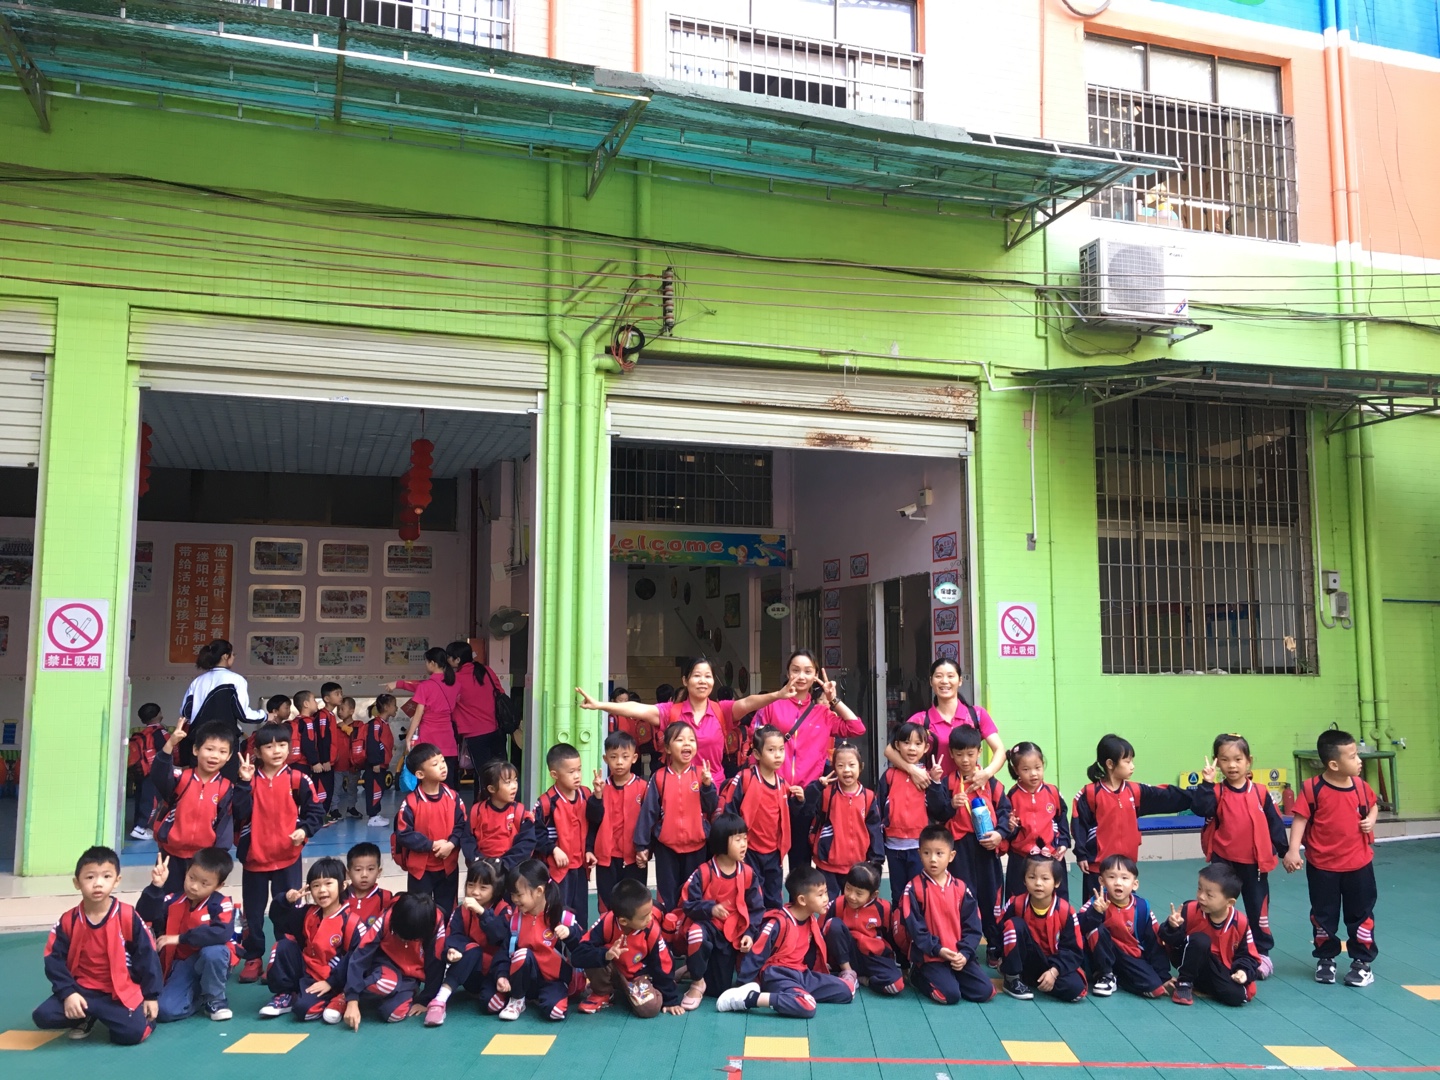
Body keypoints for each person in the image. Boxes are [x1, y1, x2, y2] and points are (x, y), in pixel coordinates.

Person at [575, 657, 789, 792]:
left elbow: (749, 702)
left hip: (714, 789)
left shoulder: (721, 710)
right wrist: (600, 705)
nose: (703, 681)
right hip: (678, 789)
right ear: (685, 681)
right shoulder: (671, 712)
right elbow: (637, 709)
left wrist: (778, 695)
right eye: (697, 676)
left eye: (708, 676)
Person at [746, 651, 866, 870]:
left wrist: (833, 699)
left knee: (800, 863)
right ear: (787, 673)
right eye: (796, 670)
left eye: (808, 671)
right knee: (765, 860)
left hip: (807, 795)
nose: (801, 676)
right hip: (772, 792)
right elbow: (753, 742)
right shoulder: (772, 707)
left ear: (815, 676)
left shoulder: (823, 713)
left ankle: (798, 893)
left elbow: (856, 728)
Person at [33, 846, 162, 1045]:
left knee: (131, 1035)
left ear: (117, 880)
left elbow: (147, 956)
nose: (98, 883)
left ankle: (131, 1018)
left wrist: (151, 996)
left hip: (118, 993)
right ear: (77, 883)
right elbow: (53, 960)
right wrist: (68, 993)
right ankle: (86, 1016)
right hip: (82, 991)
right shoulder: (69, 920)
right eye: (90, 877)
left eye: (106, 876)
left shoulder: (127, 916)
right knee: (43, 1016)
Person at [1283, 728, 1379, 988]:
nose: (1359, 760)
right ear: (1334, 764)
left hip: (1359, 865)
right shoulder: (1312, 788)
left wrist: (1371, 819)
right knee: (1323, 915)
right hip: (1322, 867)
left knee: (1361, 915)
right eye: (1353, 756)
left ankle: (1362, 963)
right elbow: (1300, 819)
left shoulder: (1361, 787)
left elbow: (1372, 805)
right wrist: (1293, 850)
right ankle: (1326, 959)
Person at [233, 722, 326, 984]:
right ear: (257, 752)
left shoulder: (298, 779)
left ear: (290, 747)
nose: (276, 751)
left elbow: (316, 812)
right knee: (253, 913)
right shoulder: (249, 780)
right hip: (255, 859)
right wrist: (243, 783)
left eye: (282, 745)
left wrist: (304, 830)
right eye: (269, 746)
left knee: (288, 909)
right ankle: (253, 957)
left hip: (288, 858)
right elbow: (238, 812)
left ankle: (283, 956)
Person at [1189, 733, 1286, 977]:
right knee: (1215, 906)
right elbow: (1200, 808)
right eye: (1224, 760)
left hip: (1254, 865)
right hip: (1223, 863)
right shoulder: (1216, 792)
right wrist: (1207, 783)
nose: (1232, 765)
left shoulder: (1261, 792)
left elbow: (1275, 824)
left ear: (1248, 760)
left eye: (1238, 759)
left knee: (1258, 910)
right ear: (1217, 762)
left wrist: (1287, 852)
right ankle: (1214, 950)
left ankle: (1261, 954)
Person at [716, 865, 855, 1017]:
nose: (826, 899)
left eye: (826, 892)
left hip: (801, 973)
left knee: (847, 991)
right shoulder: (778, 922)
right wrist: (743, 986)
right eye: (820, 895)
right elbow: (756, 954)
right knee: (807, 1006)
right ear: (802, 900)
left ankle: (794, 995)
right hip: (777, 975)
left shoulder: (810, 919)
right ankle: (751, 998)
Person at [925, 724, 1012, 964]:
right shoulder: (947, 783)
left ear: (979, 752)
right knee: (962, 897)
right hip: (959, 850)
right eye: (959, 754)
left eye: (970, 754)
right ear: (951, 754)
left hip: (986, 848)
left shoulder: (992, 784)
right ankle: (965, 946)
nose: (965, 760)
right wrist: (950, 804)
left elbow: (1005, 812)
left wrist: (1000, 834)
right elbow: (936, 812)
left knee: (991, 897)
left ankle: (994, 945)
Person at [1071, 733, 1192, 897]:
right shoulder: (1090, 794)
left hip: (1126, 869)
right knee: (1095, 910)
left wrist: (1201, 796)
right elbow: (1079, 825)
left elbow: (1167, 796)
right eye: (1127, 762)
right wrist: (1081, 854)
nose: (1132, 766)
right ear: (1110, 764)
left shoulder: (1135, 791)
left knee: (1125, 910)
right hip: (1097, 870)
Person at [136, 847, 237, 1022]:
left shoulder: (222, 904)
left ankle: (215, 998)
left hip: (211, 961)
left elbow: (221, 934)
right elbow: (143, 916)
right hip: (182, 964)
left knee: (214, 951)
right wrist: (156, 887)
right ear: (186, 871)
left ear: (219, 885)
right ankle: (199, 997)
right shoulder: (172, 900)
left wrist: (180, 938)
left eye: (204, 883)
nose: (194, 886)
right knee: (165, 1011)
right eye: (191, 878)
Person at [259, 857, 366, 1021]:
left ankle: (339, 997)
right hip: (306, 971)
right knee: (283, 946)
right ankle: (286, 994)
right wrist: (285, 900)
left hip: (332, 978)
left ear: (343, 885)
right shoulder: (307, 913)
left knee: (304, 1010)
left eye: (328, 883)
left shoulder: (352, 922)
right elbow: (278, 918)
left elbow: (356, 960)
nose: (322, 890)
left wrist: (331, 982)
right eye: (316, 885)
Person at [899, 825, 995, 1005]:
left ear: (951, 856)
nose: (932, 859)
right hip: (931, 956)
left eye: (939, 853)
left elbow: (973, 926)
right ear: (919, 854)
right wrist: (938, 949)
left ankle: (950, 976)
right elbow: (916, 930)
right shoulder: (913, 889)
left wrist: (965, 953)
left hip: (958, 956)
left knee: (985, 991)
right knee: (949, 996)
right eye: (926, 853)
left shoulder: (961, 888)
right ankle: (918, 974)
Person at [676, 812, 763, 1007]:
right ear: (722, 841)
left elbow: (757, 908)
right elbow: (687, 904)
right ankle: (697, 982)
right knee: (696, 932)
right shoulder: (703, 872)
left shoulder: (748, 873)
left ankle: (692, 967)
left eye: (745, 839)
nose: (744, 844)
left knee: (718, 990)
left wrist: (749, 933)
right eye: (738, 840)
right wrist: (710, 908)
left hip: (731, 934)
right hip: (708, 927)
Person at [634, 720, 720, 911]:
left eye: (691, 740)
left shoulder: (701, 775)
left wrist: (707, 786)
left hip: (697, 846)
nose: (687, 743)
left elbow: (712, 806)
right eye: (680, 740)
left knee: (694, 894)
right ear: (667, 748)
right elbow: (648, 813)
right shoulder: (659, 777)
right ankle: (669, 927)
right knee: (668, 897)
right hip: (667, 849)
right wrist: (642, 845)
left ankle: (690, 928)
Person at [886, 658, 1003, 792]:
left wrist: (986, 773)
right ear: (931, 681)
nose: (944, 681)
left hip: (969, 791)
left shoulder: (977, 715)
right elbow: (889, 750)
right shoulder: (922, 719)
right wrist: (913, 770)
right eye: (939, 676)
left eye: (950, 676)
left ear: (960, 681)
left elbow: (999, 750)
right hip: (934, 793)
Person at [573, 877, 684, 1017]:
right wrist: (605, 954)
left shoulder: (651, 930)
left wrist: (670, 1000)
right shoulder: (606, 922)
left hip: (638, 976)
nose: (650, 918)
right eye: (644, 917)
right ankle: (603, 993)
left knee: (650, 1009)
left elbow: (664, 964)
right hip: (613, 970)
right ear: (624, 921)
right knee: (592, 955)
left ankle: (647, 987)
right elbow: (578, 955)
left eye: (650, 912)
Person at [719, 725, 803, 908]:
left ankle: (772, 926)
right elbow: (730, 813)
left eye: (781, 749)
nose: (778, 755)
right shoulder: (745, 778)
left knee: (774, 899)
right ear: (757, 754)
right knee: (751, 897)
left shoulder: (783, 784)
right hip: (749, 851)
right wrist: (734, 846)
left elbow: (789, 816)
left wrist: (798, 801)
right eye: (771, 750)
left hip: (774, 853)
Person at [150, 719, 235, 894]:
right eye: (209, 749)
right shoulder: (180, 777)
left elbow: (225, 825)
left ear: (229, 756)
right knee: (168, 899)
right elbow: (159, 775)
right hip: (171, 854)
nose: (214, 756)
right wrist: (170, 745)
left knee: (198, 899)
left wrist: (217, 858)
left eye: (222, 751)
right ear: (196, 750)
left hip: (203, 859)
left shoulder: (226, 788)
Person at [489, 859, 580, 1022]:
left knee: (556, 1013)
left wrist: (571, 934)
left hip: (554, 981)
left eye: (519, 895)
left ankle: (542, 998)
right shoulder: (514, 920)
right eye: (512, 894)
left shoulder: (562, 917)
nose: (514, 899)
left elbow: (583, 948)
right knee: (522, 954)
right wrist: (501, 975)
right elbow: (504, 951)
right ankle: (517, 999)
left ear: (539, 891)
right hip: (524, 980)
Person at [1160, 863, 1262, 1007]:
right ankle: (1184, 983)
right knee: (1200, 940)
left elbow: (1248, 956)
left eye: (1209, 895)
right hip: (1188, 959)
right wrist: (1172, 927)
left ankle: (1201, 985)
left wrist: (1243, 971)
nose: (1201, 897)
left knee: (1237, 996)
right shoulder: (1190, 909)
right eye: (1199, 889)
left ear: (1230, 902)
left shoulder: (1240, 922)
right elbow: (1169, 941)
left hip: (1217, 968)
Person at [340, 891, 446, 1028]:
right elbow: (360, 955)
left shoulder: (435, 923)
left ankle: (396, 992)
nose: (402, 940)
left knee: (394, 1014)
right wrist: (352, 999)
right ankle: (343, 995)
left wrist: (425, 1000)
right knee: (386, 983)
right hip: (385, 964)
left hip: (410, 977)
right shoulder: (387, 917)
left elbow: (436, 962)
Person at [425, 860, 510, 1026]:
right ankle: (440, 1000)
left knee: (491, 1005)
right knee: (472, 949)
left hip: (495, 972)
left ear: (496, 889)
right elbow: (452, 936)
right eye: (471, 885)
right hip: (471, 969)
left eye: (483, 888)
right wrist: (451, 950)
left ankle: (500, 993)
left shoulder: (504, 909)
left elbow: (500, 936)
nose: (475, 892)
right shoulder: (461, 910)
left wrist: (482, 913)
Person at [392, 742, 471, 917]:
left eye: (442, 761)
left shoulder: (453, 797)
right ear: (420, 774)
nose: (442, 766)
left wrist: (451, 844)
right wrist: (432, 845)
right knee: (419, 913)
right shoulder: (411, 803)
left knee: (447, 912)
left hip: (448, 867)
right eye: (435, 764)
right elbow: (403, 834)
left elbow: (462, 825)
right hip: (420, 871)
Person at [1078, 854, 1171, 999]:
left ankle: (1118, 979)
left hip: (1129, 957)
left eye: (1124, 878)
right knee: (1096, 927)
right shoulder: (1096, 902)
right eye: (1111, 877)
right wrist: (1095, 913)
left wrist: (1163, 975)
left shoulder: (1142, 908)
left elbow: (1154, 943)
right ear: (1102, 881)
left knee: (1155, 988)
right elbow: (1078, 927)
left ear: (1135, 884)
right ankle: (1105, 974)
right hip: (1100, 956)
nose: (1118, 883)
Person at [998, 854, 1087, 1002]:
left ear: (1056, 882)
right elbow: (1001, 932)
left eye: (1045, 878)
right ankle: (1012, 978)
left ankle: (1034, 980)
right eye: (1032, 877)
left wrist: (1054, 972)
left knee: (1076, 989)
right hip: (1025, 959)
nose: (1038, 883)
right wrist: (1003, 958)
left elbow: (1073, 950)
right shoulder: (1016, 903)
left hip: (1051, 963)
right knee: (1014, 924)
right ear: (1024, 880)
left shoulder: (1066, 911)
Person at [176, 639, 264, 779]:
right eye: (232, 654)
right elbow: (244, 714)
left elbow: (185, 712)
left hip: (200, 739)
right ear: (225, 656)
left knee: (198, 782)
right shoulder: (236, 680)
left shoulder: (197, 681)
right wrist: (264, 715)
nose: (233, 658)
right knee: (226, 784)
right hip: (225, 740)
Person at [806, 741, 883, 901]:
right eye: (840, 766)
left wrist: (876, 861)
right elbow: (807, 808)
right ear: (834, 769)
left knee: (854, 906)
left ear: (860, 767)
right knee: (828, 907)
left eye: (851, 765)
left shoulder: (868, 797)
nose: (846, 770)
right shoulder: (826, 793)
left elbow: (875, 830)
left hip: (857, 867)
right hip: (828, 866)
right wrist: (817, 787)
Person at [876, 722, 940, 905]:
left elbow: (938, 808)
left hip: (919, 847)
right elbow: (878, 810)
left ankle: (917, 925)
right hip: (893, 847)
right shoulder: (889, 776)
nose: (912, 748)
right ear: (897, 745)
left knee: (919, 894)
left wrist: (936, 783)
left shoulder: (928, 776)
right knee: (898, 894)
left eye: (918, 744)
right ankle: (899, 924)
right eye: (906, 742)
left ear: (926, 748)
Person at [534, 742, 595, 925]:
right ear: (554, 774)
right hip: (557, 871)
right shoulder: (546, 802)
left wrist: (589, 849)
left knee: (580, 917)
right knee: (558, 915)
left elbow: (594, 823)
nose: (577, 776)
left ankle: (578, 944)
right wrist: (553, 849)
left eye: (579, 770)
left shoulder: (586, 794)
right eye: (571, 772)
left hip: (580, 868)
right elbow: (536, 833)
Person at [823, 862, 904, 997]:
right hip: (846, 956)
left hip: (873, 958)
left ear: (873, 894)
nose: (851, 896)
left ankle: (864, 980)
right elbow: (823, 931)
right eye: (848, 888)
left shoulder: (884, 908)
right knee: (833, 924)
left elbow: (893, 938)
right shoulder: (837, 904)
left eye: (859, 893)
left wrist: (904, 964)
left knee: (896, 985)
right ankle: (848, 972)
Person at [588, 731, 647, 914]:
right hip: (606, 859)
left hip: (634, 858)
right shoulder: (601, 788)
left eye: (625, 757)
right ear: (606, 759)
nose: (619, 762)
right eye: (613, 757)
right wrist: (597, 797)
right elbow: (592, 820)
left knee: (634, 906)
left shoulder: (643, 788)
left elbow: (649, 822)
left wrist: (646, 849)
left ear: (634, 758)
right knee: (607, 907)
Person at [1004, 742, 1071, 903]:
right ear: (1016, 770)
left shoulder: (1052, 792)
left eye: (1038, 767)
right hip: (1021, 859)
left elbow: (1061, 818)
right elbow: (1009, 831)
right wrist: (1010, 828)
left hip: (1051, 856)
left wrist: (1063, 843)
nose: (1033, 774)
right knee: (1018, 902)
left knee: (1058, 901)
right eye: (1026, 769)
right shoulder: (1011, 796)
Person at [387, 647, 462, 782]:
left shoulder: (425, 686)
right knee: (447, 783)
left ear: (432, 663)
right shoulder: (455, 685)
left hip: (429, 739)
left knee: (427, 782)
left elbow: (418, 715)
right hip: (448, 739)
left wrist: (408, 737)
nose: (426, 665)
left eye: (426, 662)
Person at [447, 639, 508, 779]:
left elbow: (444, 699)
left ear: (457, 659)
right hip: (497, 729)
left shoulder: (456, 679)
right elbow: (500, 691)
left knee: (483, 774)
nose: (447, 660)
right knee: (501, 772)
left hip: (475, 734)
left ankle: (484, 794)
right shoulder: (487, 670)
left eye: (449, 656)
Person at [469, 758, 536, 872]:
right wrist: (479, 861)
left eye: (515, 780)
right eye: (508, 782)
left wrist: (504, 864)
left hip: (511, 869)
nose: (514, 786)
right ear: (491, 788)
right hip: (484, 870)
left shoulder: (520, 812)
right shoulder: (477, 811)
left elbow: (527, 842)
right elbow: (468, 840)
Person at [128, 703, 168, 841]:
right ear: (158, 715)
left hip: (141, 771)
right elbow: (165, 752)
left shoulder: (141, 733)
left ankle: (137, 825)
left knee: (141, 799)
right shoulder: (159, 732)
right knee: (151, 801)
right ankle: (141, 828)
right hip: (153, 771)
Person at [357, 694, 398, 827]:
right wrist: (375, 762)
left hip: (381, 765)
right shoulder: (376, 724)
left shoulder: (384, 724)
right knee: (374, 790)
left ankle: (375, 815)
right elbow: (373, 742)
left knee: (379, 789)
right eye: (394, 705)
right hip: (375, 765)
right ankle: (373, 816)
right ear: (386, 707)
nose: (396, 708)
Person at [342, 842, 393, 933]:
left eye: (370, 869)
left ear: (379, 872)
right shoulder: (341, 897)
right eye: (358, 869)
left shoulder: (385, 898)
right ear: (348, 874)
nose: (364, 875)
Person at [330, 696, 365, 821]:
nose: (339, 712)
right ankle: (334, 809)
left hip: (353, 764)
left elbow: (358, 736)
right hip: (338, 764)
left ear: (351, 711)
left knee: (352, 788)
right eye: (338, 709)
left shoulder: (359, 725)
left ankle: (351, 807)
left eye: (342, 709)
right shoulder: (335, 726)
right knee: (336, 788)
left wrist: (345, 727)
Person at [315, 683, 345, 821]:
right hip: (324, 762)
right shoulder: (323, 715)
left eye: (341, 693)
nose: (341, 696)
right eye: (337, 694)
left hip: (331, 761)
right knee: (322, 789)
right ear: (327, 698)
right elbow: (322, 738)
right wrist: (325, 759)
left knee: (329, 789)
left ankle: (325, 815)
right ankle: (320, 817)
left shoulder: (331, 715)